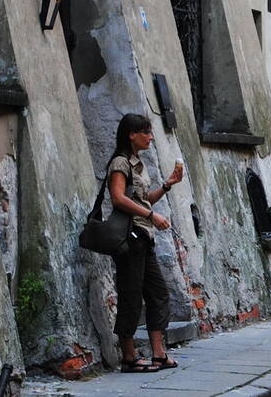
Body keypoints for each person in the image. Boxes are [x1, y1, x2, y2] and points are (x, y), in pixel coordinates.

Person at [107, 113, 183, 373]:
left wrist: (167, 185)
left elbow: (143, 199)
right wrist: (151, 215)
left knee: (158, 293)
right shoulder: (120, 163)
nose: (151, 136)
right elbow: (117, 198)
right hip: (130, 238)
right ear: (131, 134)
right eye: (146, 132)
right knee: (130, 295)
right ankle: (128, 356)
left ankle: (159, 354)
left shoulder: (137, 163)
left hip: (143, 237)